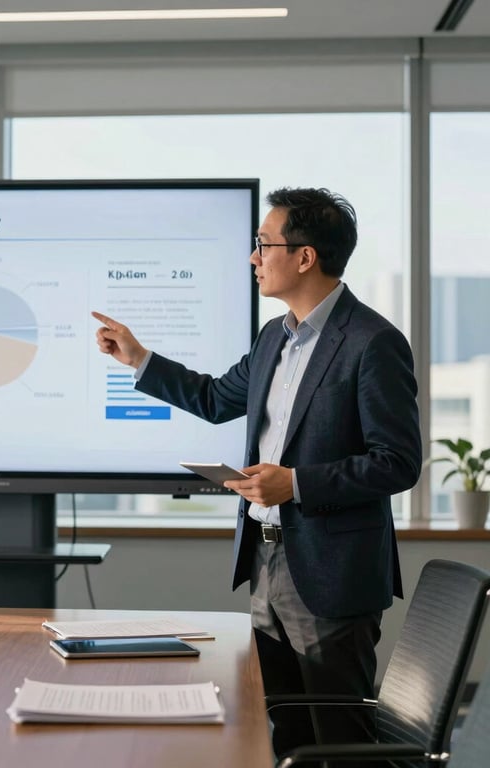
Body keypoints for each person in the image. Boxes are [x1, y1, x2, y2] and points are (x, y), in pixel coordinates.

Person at [92, 187, 422, 765]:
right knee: (283, 733)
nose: (252, 258)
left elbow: (398, 462)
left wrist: (294, 484)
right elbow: (218, 398)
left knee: (341, 741)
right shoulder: (275, 335)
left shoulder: (373, 342)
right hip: (267, 560)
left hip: (331, 571)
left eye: (262, 245)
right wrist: (139, 359)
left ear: (304, 257)